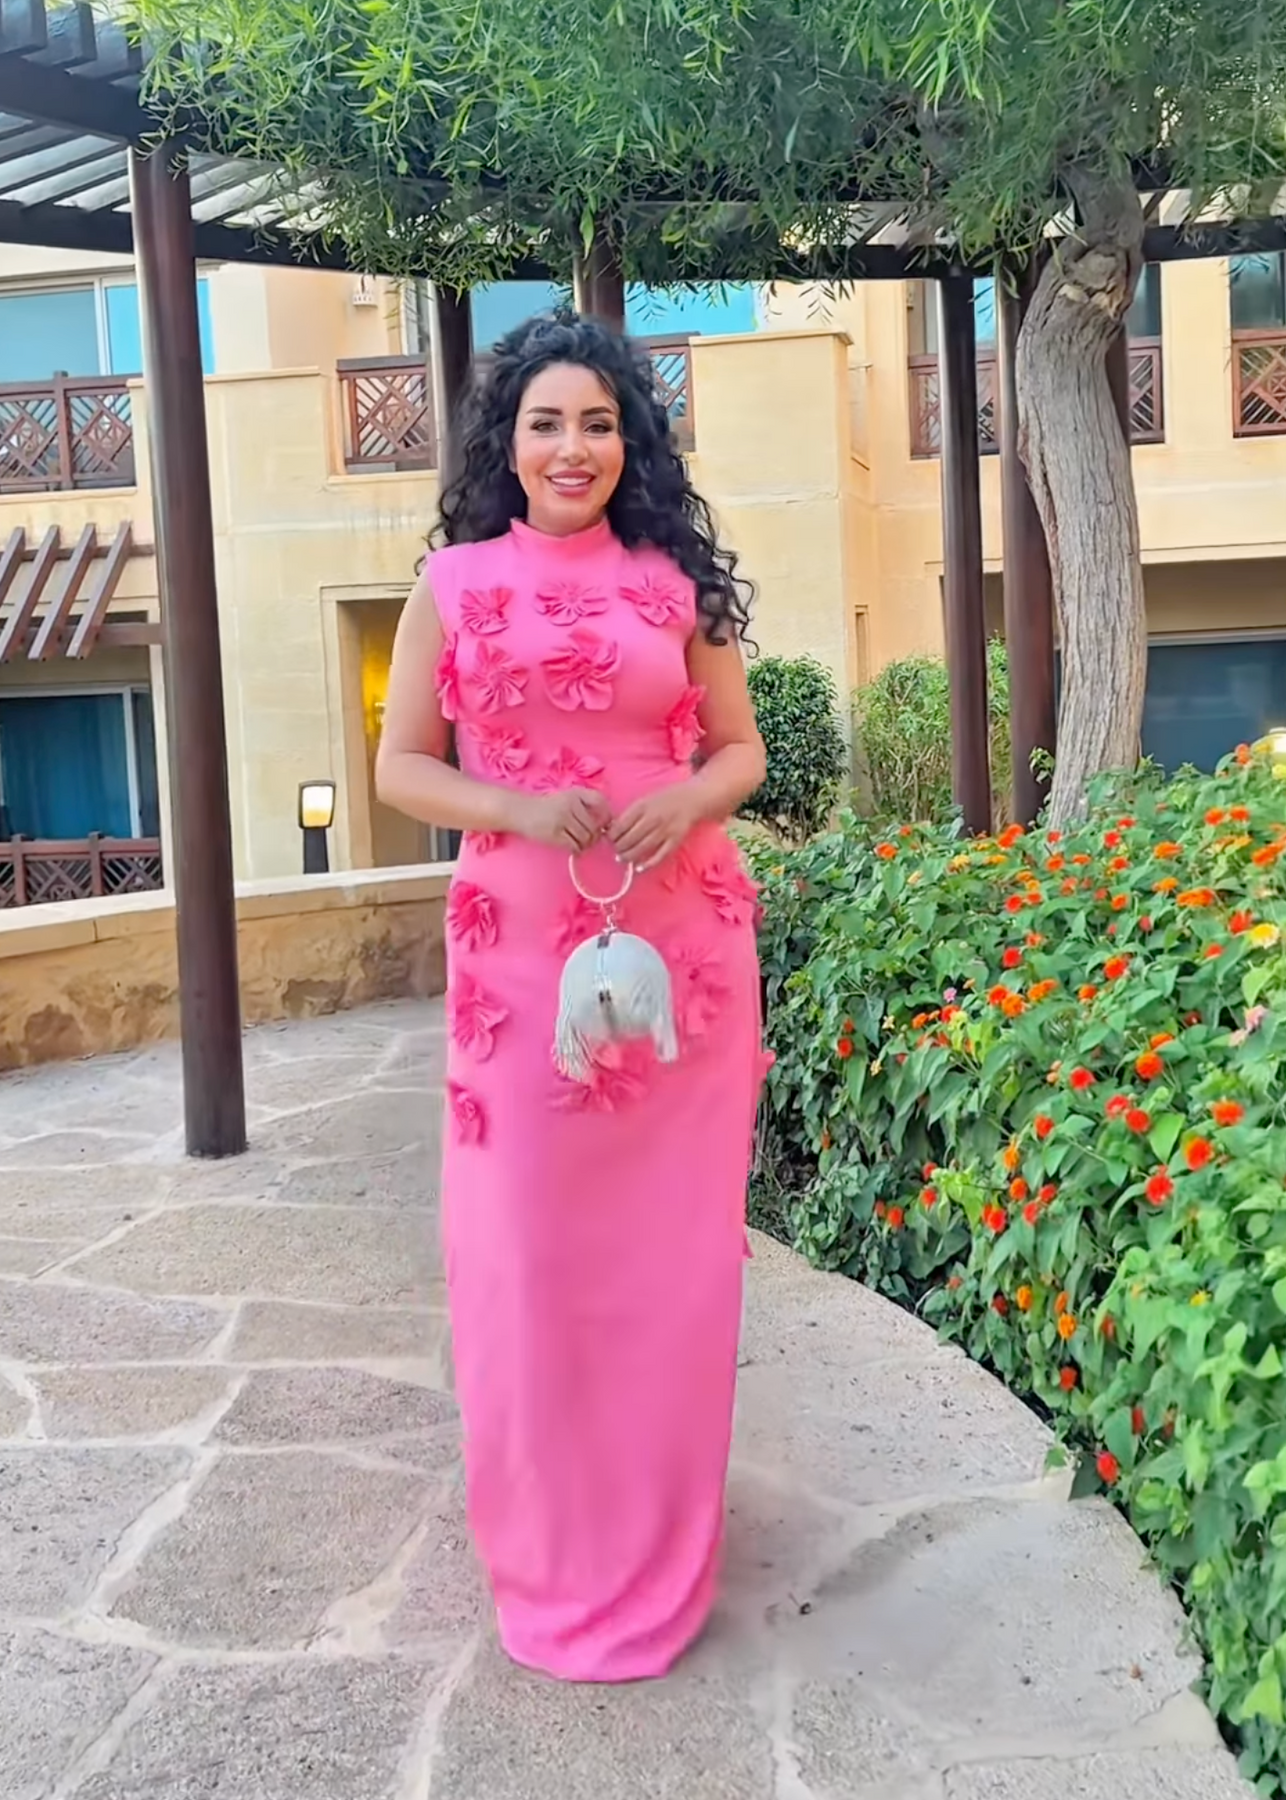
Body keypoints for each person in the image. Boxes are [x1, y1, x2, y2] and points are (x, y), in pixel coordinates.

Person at [375, 311, 768, 1683]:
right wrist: (515, 808)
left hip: (683, 947)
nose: (572, 447)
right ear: (508, 441)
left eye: (598, 423)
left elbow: (738, 751)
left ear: (630, 441)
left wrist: (686, 799)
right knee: (525, 1257)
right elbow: (401, 767)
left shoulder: (676, 584)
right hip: (519, 952)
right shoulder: (454, 583)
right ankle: (552, 1548)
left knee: (669, 1262)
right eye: (545, 422)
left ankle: (662, 1536)